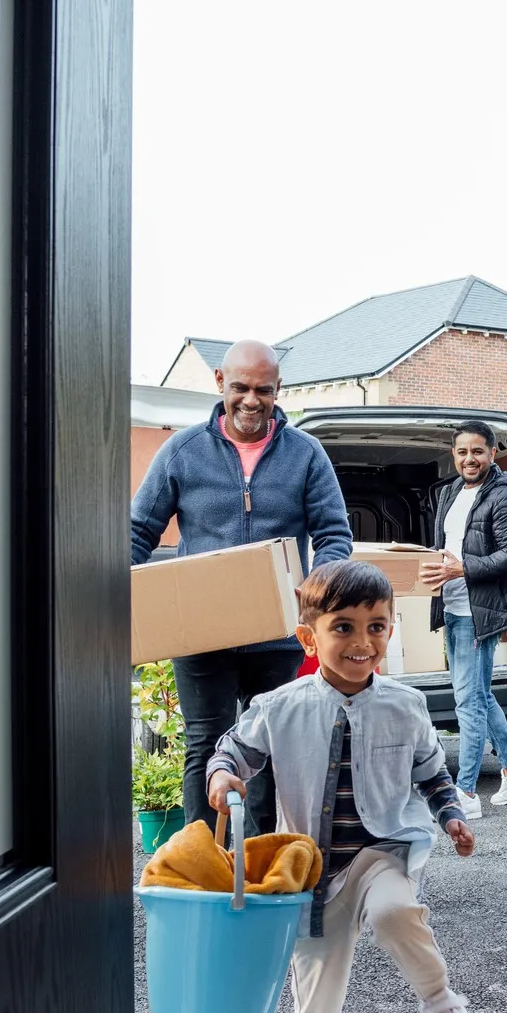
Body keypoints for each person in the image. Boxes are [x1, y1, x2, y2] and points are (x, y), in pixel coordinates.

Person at [206, 559, 484, 1013]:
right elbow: (234, 749)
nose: (363, 642)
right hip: (310, 874)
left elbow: (432, 774)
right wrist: (223, 775)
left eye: (377, 626)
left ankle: (441, 1004)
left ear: (391, 630)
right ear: (309, 638)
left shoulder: (406, 705)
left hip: (382, 853)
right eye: (344, 627)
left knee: (395, 913)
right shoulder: (279, 705)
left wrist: (451, 816)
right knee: (316, 992)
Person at [129, 339, 353, 832]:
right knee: (204, 746)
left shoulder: (305, 454)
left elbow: (334, 534)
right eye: (241, 388)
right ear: (220, 383)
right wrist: (116, 595)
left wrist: (317, 589)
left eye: (263, 391)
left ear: (278, 390)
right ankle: (202, 860)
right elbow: (138, 531)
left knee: (266, 747)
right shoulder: (182, 451)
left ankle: (259, 861)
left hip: (277, 634)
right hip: (200, 633)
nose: (251, 400)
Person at [422, 420, 507, 814]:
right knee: (477, 694)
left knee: (468, 702)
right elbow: (451, 546)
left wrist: (461, 569)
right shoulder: (451, 492)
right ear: (453, 455)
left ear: (492, 453)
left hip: (481, 610)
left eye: (477, 451)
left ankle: (466, 793)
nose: (469, 459)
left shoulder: (504, 495)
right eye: (462, 452)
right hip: (453, 606)